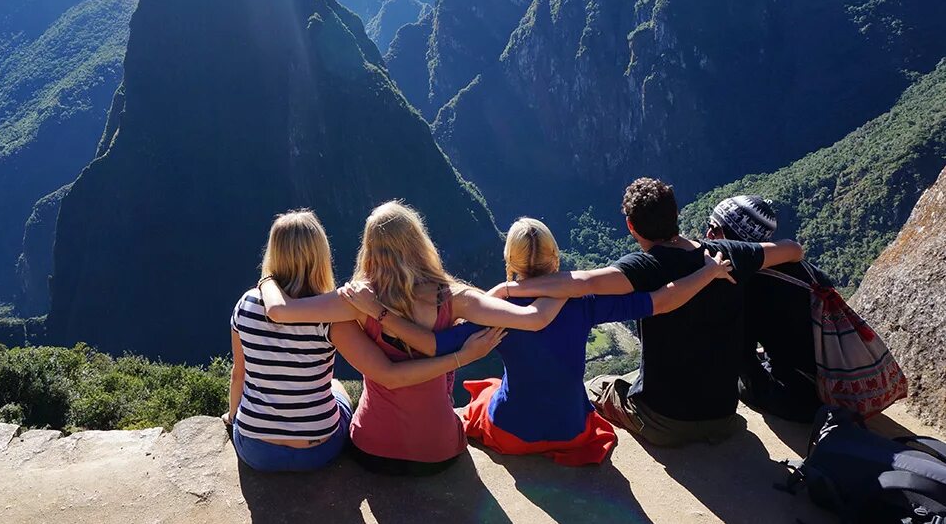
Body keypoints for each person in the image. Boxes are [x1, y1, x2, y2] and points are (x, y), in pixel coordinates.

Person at [341, 217, 737, 466]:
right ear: (555, 259)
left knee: (486, 394)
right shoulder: (584, 303)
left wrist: (385, 316)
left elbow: (430, 345)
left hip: (513, 432)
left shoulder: (498, 316)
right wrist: (709, 271)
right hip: (570, 430)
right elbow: (663, 301)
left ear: (509, 262)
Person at [258, 201, 570, 475]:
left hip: (373, 450)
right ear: (418, 242)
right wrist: (559, 281)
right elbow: (534, 319)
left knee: (339, 391)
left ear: (368, 248)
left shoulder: (355, 299)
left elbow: (281, 311)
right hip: (439, 453)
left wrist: (268, 277)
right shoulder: (452, 297)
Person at [504, 178, 804, 447]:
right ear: (676, 215)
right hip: (724, 416)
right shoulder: (727, 254)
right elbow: (792, 249)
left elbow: (582, 282)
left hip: (663, 422)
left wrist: (510, 289)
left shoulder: (643, 268)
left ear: (631, 227)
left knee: (597, 386)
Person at [225, 210, 504, 472]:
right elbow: (388, 374)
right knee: (337, 388)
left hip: (258, 452)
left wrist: (232, 417)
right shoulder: (333, 318)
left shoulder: (244, 306)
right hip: (319, 449)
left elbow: (239, 376)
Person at [706, 195, 823, 422]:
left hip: (805, 399)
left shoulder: (746, 285)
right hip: (837, 382)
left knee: (735, 378)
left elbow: (740, 355)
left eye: (714, 228)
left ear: (734, 239)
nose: (708, 235)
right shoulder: (797, 268)